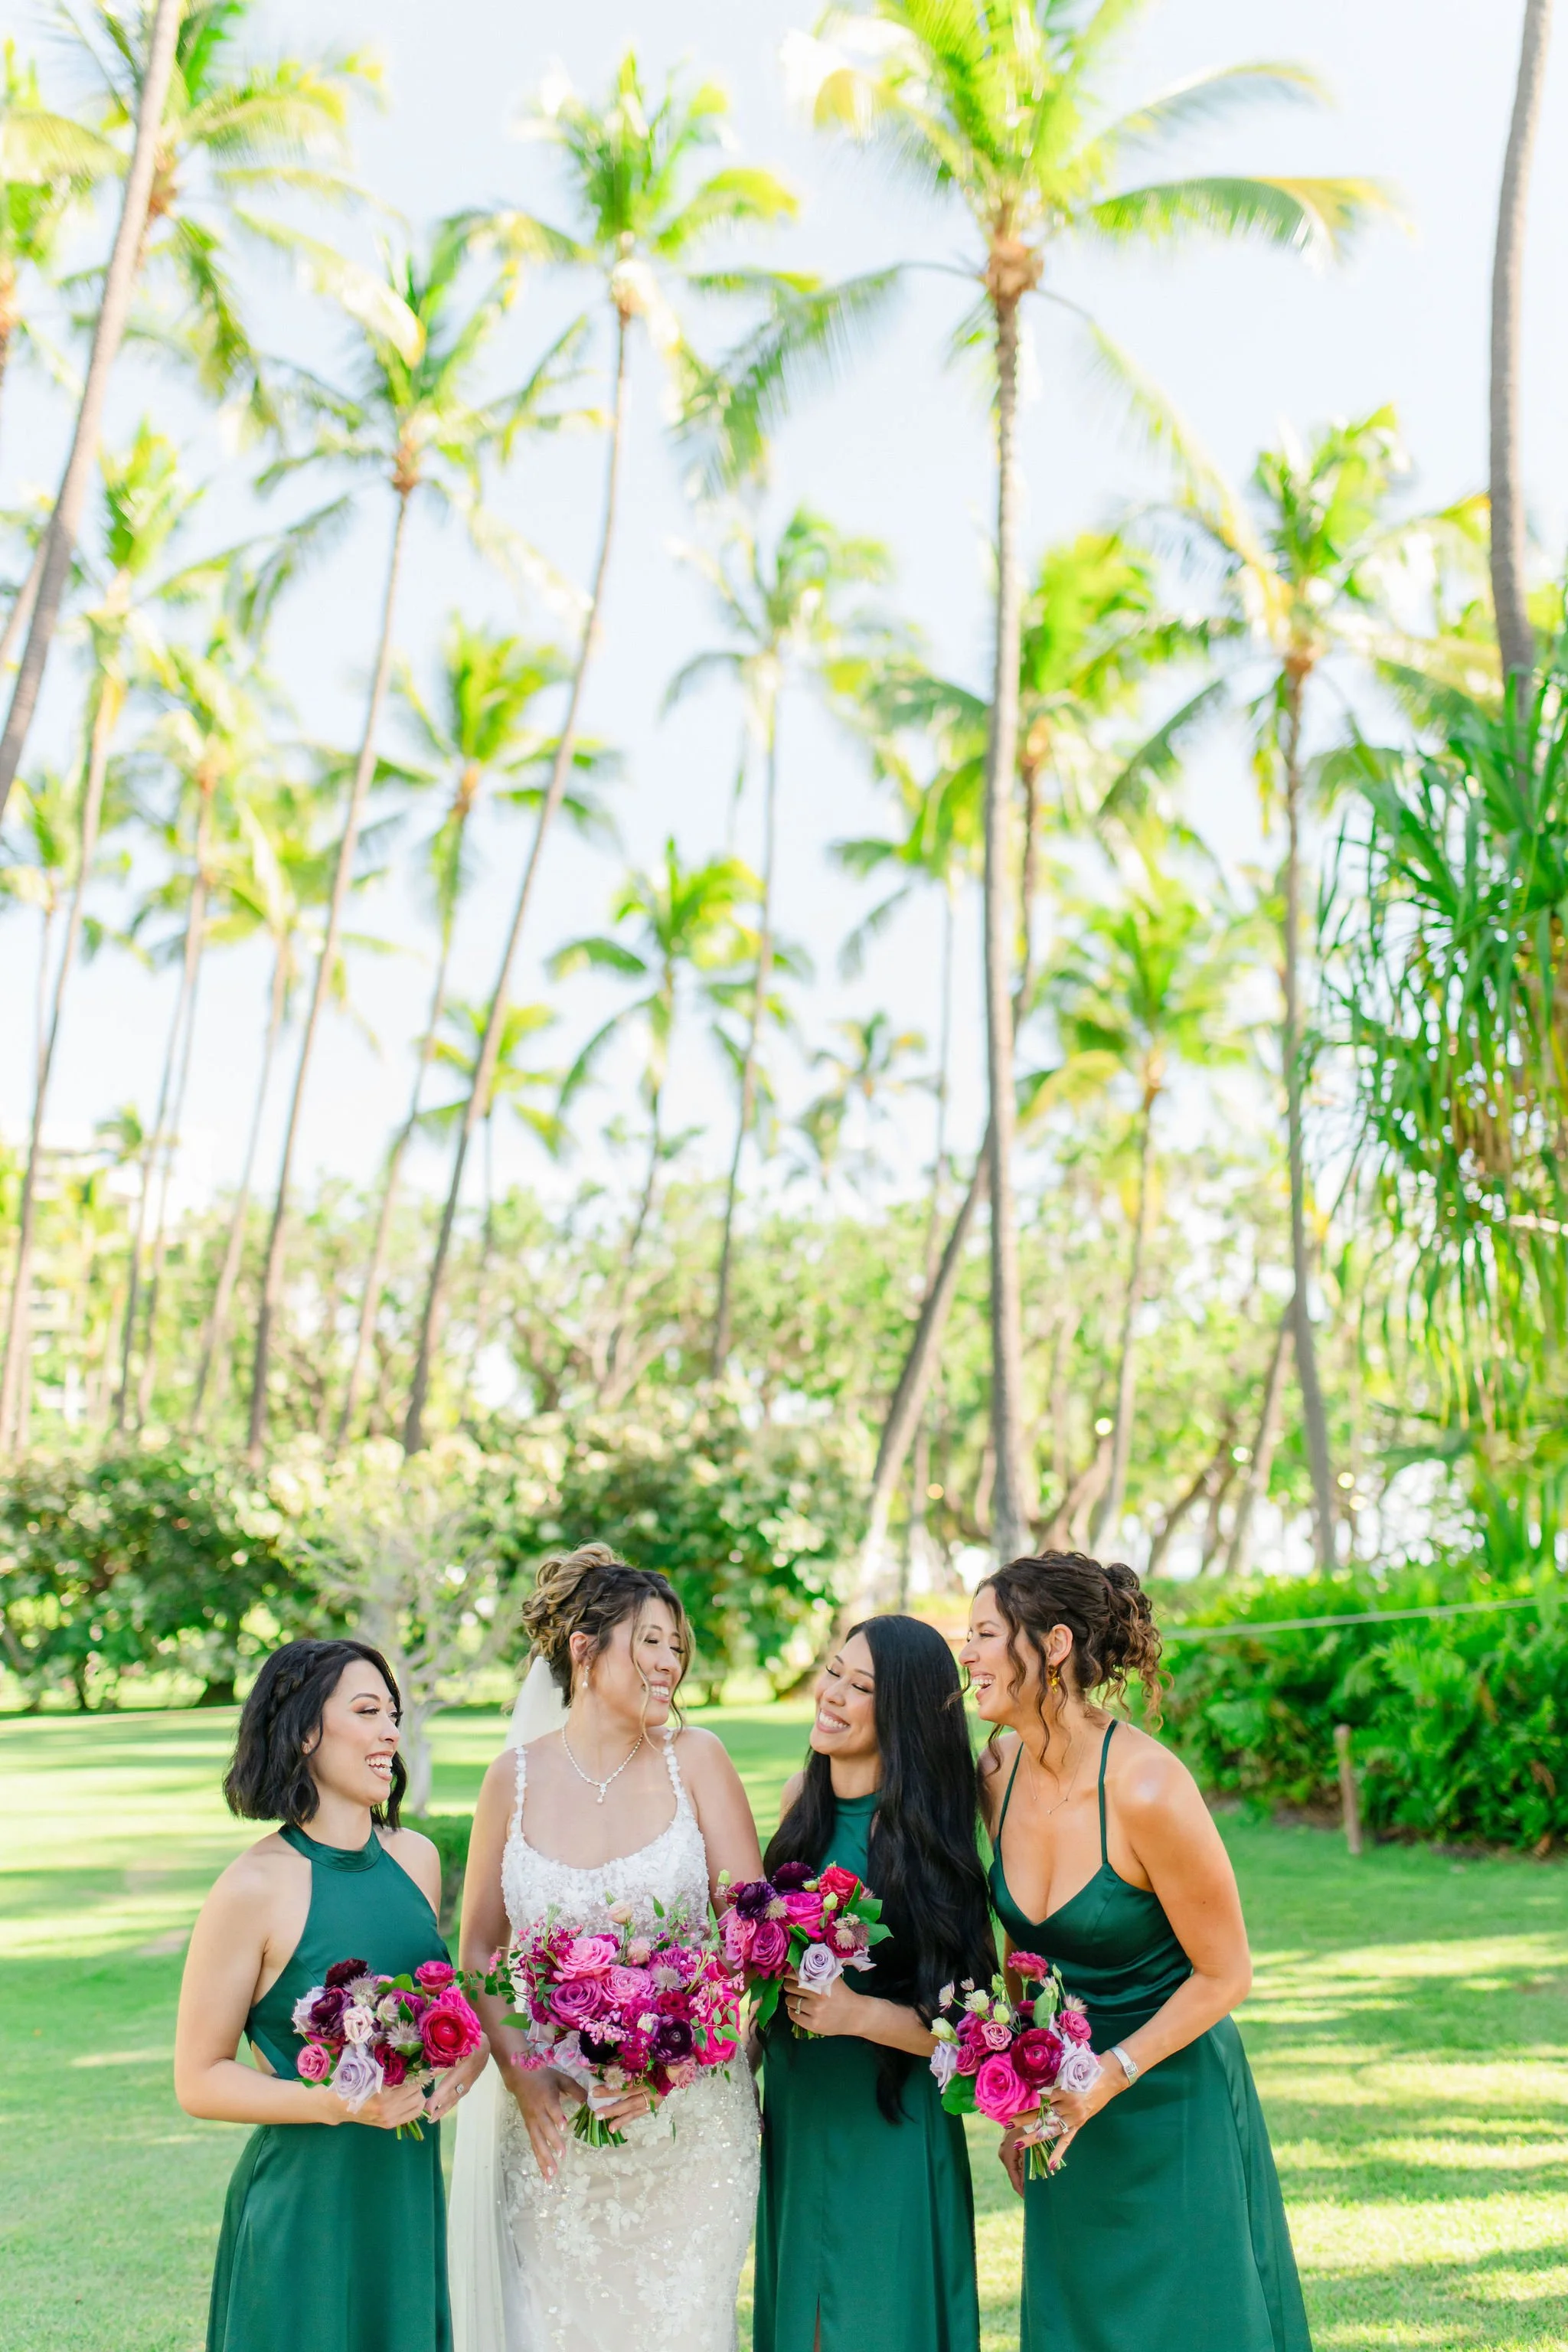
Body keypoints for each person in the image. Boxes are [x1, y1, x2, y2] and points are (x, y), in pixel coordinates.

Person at [965, 1551, 1312, 2352]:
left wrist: (1106, 2076)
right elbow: (1024, 1958)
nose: (969, 1654)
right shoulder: (996, 1773)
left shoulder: (1148, 1788)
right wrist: (1019, 2094)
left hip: (1168, 2099)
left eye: (985, 1634)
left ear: (1051, 1645)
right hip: (1066, 2110)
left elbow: (1226, 1973)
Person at [456, 1544, 763, 2352]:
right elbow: (482, 1948)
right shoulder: (510, 1779)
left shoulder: (697, 1760)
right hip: (559, 2124)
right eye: (649, 1642)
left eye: (676, 1648)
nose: (669, 1663)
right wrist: (523, 2075)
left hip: (692, 2129)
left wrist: (679, 2060)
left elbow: (748, 1941)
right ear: (583, 1650)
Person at [176, 1638, 485, 2352]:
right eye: (369, 1711)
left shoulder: (418, 1859)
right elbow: (198, 2080)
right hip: (304, 2211)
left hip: (403, 2198)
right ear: (306, 1731)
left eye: (394, 1714)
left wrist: (463, 2059)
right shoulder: (252, 1888)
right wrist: (338, 2103)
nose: (390, 1733)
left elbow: (444, 2010)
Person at [753, 1615, 996, 2352]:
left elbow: (973, 2036)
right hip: (799, 2110)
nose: (832, 1694)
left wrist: (859, 2014)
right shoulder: (802, 1801)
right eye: (833, 1672)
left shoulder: (929, 1836)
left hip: (890, 2120)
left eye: (861, 1687)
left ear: (903, 1714)